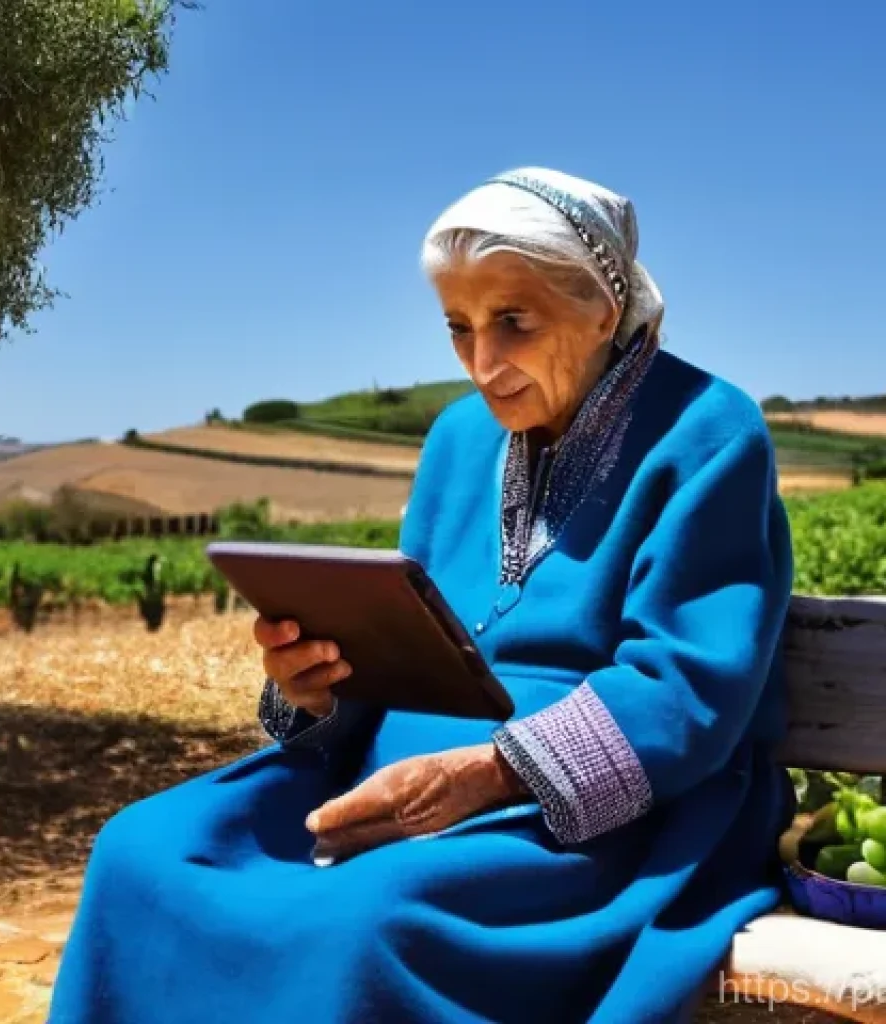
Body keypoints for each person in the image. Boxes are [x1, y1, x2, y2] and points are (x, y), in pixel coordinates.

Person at [48, 167, 796, 1024]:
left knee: (368, 920)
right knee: (139, 851)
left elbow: (689, 689)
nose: (483, 363)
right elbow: (409, 637)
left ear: (601, 306)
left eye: (514, 321)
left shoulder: (708, 429)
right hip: (397, 769)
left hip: (612, 813)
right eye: (458, 327)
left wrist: (487, 774)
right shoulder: (456, 437)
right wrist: (316, 688)